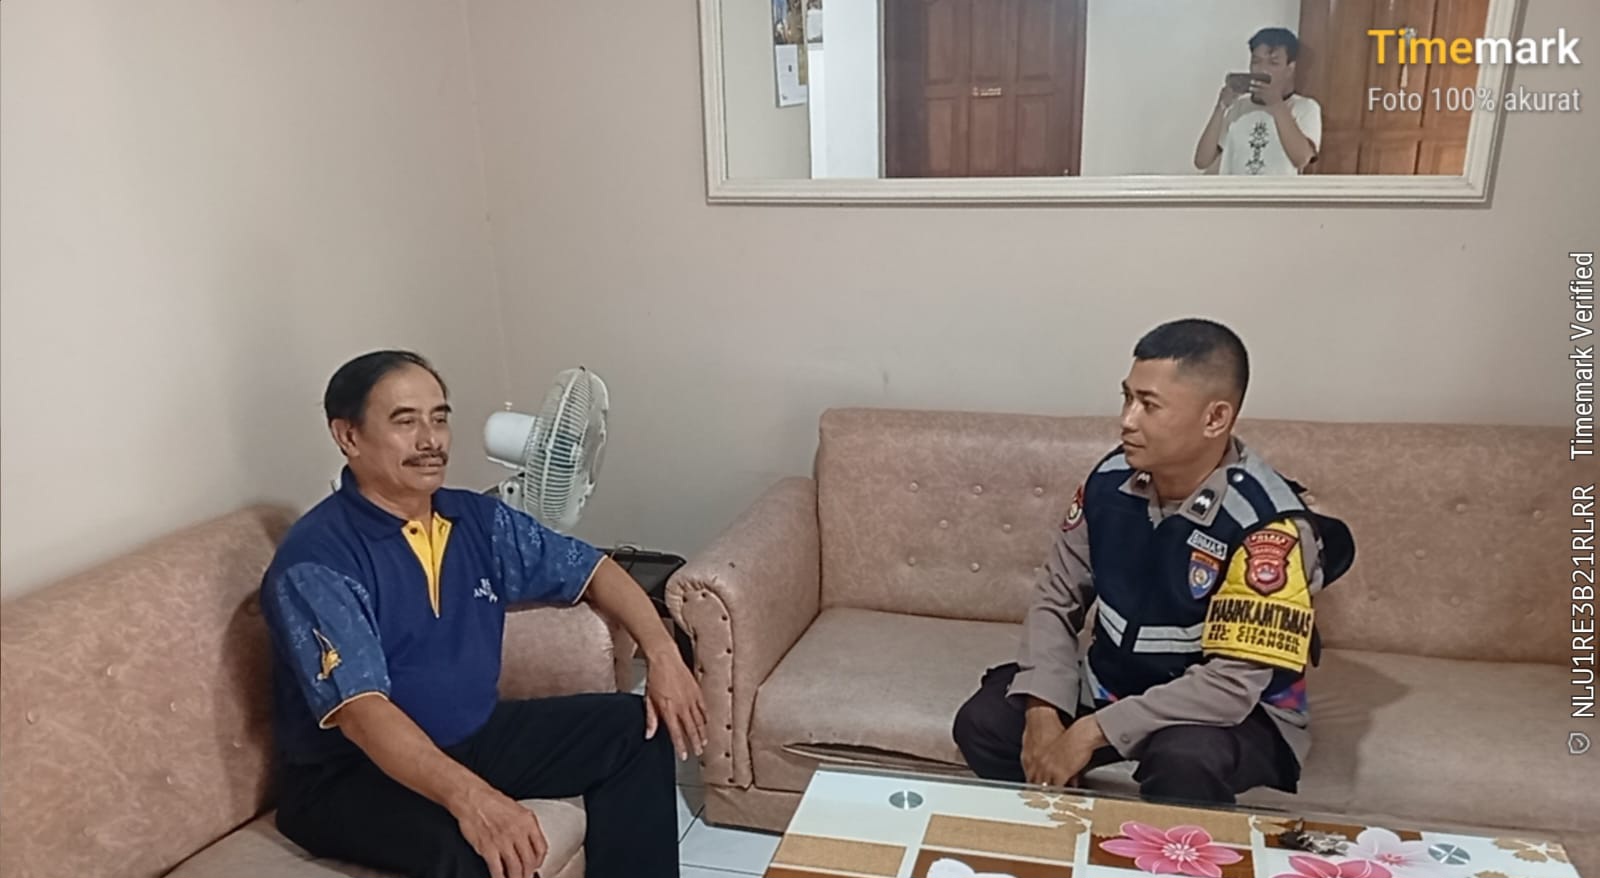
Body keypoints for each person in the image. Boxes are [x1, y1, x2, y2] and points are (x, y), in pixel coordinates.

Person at [260, 350, 703, 878]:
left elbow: (595, 570)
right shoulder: (318, 560)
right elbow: (363, 714)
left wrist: (663, 654)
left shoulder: (475, 520)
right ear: (348, 436)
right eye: (405, 421)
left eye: (439, 419)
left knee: (635, 730)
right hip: (350, 775)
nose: (431, 440)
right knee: (474, 851)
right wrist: (474, 798)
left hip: (469, 736)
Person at [952, 319, 1354, 806]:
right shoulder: (1109, 480)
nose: (1127, 420)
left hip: (1227, 711)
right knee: (985, 724)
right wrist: (1043, 711)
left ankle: (1163, 846)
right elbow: (1055, 599)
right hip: (1114, 683)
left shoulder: (1267, 528)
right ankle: (1064, 828)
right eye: (1127, 398)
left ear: (1215, 418)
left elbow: (1231, 686)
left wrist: (1089, 733)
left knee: (1184, 761)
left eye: (1149, 405)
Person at [1194, 28, 1322, 175]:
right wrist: (1221, 107)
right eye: (1256, 61)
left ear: (1290, 68)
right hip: (1236, 188)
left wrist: (1276, 104)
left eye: (1273, 63)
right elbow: (1202, 161)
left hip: (1278, 190)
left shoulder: (1305, 108)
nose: (1262, 69)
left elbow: (1301, 159)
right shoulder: (1239, 108)